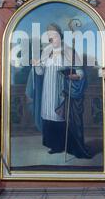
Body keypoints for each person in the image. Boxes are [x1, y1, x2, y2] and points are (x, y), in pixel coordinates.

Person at [27, 23, 91, 158]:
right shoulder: (46, 51)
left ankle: (65, 145)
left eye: (54, 37)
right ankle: (54, 145)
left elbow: (80, 71)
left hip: (61, 90)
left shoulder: (69, 51)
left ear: (60, 36)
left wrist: (76, 76)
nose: (52, 40)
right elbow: (40, 73)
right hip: (47, 91)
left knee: (60, 116)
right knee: (48, 115)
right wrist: (36, 65)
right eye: (49, 38)